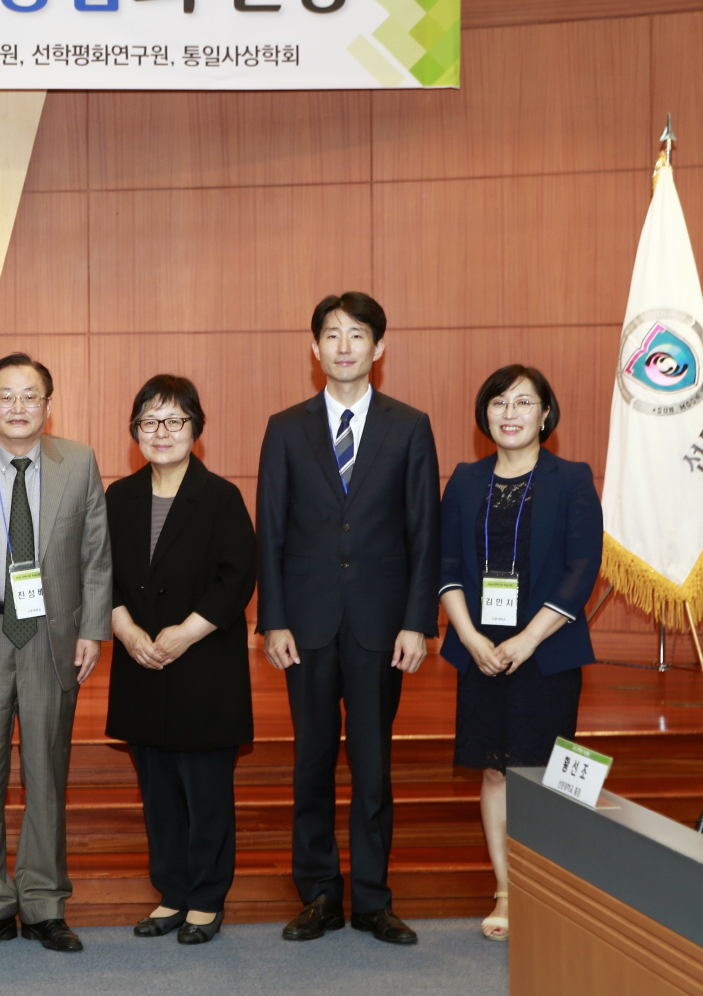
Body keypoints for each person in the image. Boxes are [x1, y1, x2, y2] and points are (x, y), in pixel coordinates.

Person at [256, 292, 439, 946]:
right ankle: (320, 894)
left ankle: (372, 899)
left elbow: (424, 530)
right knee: (310, 763)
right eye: (331, 334)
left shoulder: (409, 426)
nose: (343, 346)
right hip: (304, 625)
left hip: (380, 626)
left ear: (378, 347)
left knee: (372, 764)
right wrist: (273, 620)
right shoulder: (285, 427)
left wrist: (417, 622)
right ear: (315, 348)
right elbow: (270, 529)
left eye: (357, 334)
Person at [0, 353, 113, 953]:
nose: (18, 407)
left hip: (50, 640)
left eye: (30, 396)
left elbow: (96, 555)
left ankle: (42, 904)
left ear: (47, 405)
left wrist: (93, 629)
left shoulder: (78, 462)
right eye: (5, 396)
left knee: (47, 776)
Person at [440, 365, 599, 942]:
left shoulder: (572, 478)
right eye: (499, 402)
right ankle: (507, 891)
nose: (510, 413)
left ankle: (554, 893)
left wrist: (528, 639)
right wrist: (471, 638)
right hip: (482, 650)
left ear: (545, 414)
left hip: (546, 650)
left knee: (548, 773)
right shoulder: (465, 480)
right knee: (496, 770)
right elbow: (445, 565)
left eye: (524, 402)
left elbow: (583, 568)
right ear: (485, 414)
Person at [105, 375, 256, 946]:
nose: (161, 432)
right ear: (135, 431)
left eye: (174, 420)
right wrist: (125, 630)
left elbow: (237, 576)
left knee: (206, 792)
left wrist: (184, 634)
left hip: (203, 666)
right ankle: (171, 893)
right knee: (159, 793)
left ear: (196, 428)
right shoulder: (119, 497)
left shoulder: (220, 497)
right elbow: (100, 573)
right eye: (149, 421)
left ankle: (206, 899)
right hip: (140, 663)